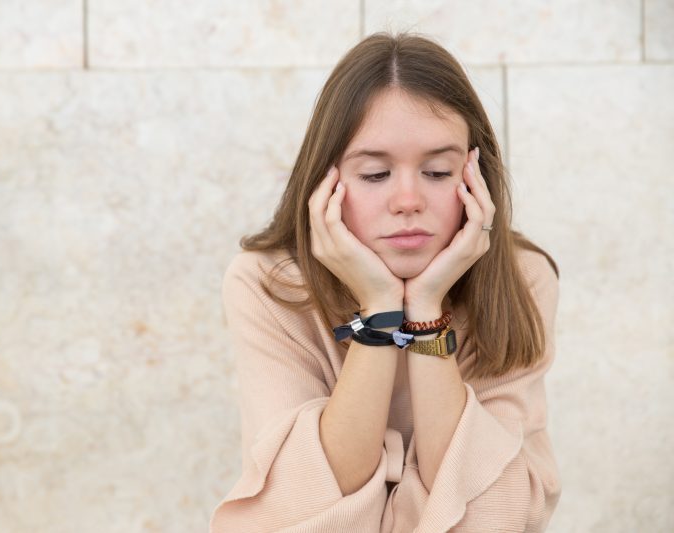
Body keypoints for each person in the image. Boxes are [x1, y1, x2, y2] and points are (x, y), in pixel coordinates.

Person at [209, 31, 561, 533]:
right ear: (326, 181)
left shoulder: (522, 279)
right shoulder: (268, 286)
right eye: (375, 174)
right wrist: (380, 310)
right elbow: (298, 508)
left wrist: (426, 306)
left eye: (438, 172)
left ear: (476, 178)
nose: (408, 200)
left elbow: (492, 513)